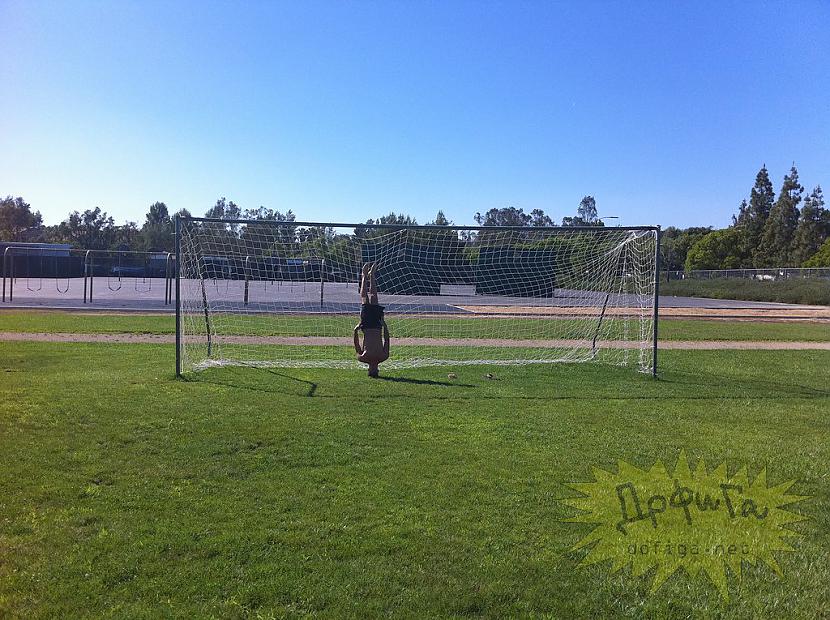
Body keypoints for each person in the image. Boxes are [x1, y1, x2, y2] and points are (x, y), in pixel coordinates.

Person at [353, 262, 389, 377]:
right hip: (378, 327)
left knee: (364, 298)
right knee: (374, 297)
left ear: (368, 370)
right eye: (375, 371)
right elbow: (387, 341)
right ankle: (372, 275)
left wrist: (355, 331)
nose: (373, 369)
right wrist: (385, 325)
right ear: (378, 370)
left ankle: (364, 276)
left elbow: (357, 345)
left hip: (367, 326)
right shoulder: (383, 357)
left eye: (371, 371)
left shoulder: (362, 358)